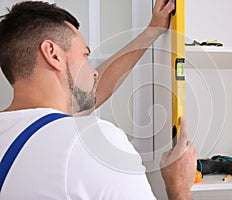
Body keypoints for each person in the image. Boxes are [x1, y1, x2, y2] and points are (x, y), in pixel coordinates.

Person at [0, 1, 197, 199]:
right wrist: (179, 186)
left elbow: (88, 96)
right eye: (85, 56)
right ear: (53, 54)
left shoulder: (15, 132)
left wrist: (152, 31)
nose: (94, 72)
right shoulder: (93, 144)